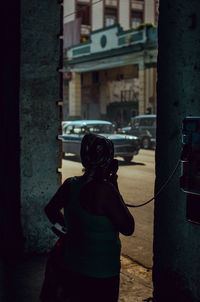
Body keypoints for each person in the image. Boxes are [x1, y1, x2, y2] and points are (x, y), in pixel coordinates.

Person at [44, 133, 135, 302]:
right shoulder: (106, 191)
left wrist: (67, 231)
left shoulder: (70, 185)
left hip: (72, 266)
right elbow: (128, 227)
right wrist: (114, 187)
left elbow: (50, 210)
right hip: (102, 272)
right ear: (108, 159)